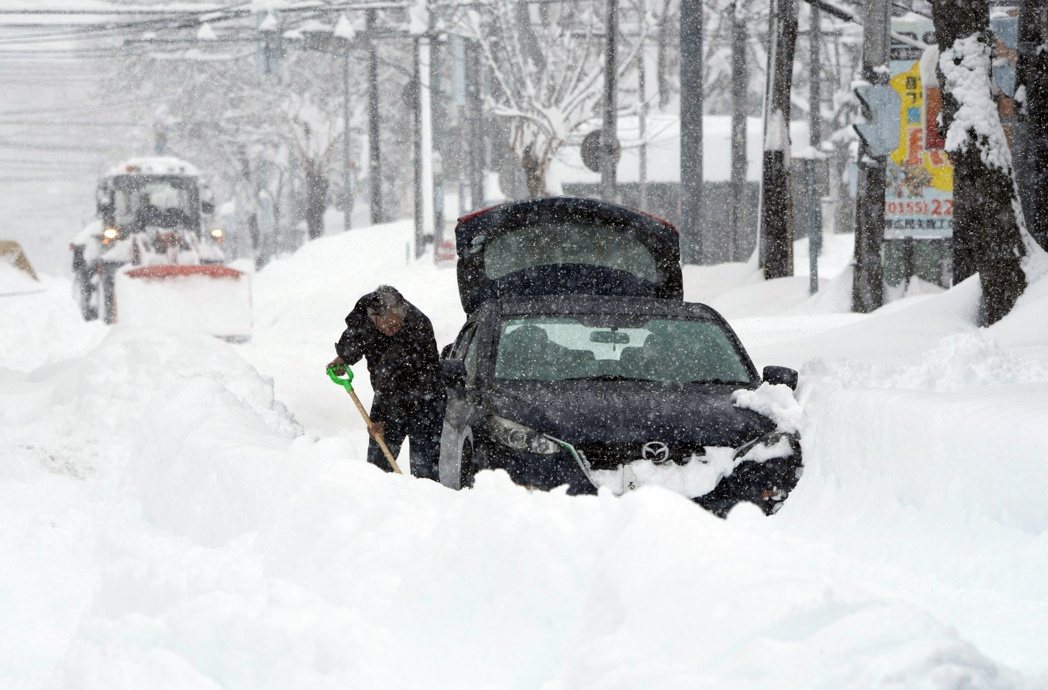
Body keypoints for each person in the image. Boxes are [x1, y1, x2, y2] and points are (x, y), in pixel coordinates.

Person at [328, 286, 446, 480]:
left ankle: (423, 495)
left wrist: (384, 418)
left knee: (425, 469)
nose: (393, 330)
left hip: (426, 397)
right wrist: (343, 357)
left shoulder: (418, 326)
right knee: (377, 467)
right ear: (375, 318)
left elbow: (403, 378)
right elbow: (356, 336)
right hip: (388, 393)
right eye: (388, 327)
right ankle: (377, 493)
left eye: (397, 325)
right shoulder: (365, 313)